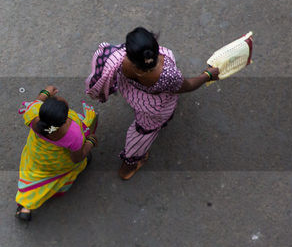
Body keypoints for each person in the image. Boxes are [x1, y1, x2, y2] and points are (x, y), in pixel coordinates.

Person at [85, 27, 219, 180]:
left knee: (142, 120)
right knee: (144, 133)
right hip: (154, 108)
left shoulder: (122, 60)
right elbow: (188, 86)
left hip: (135, 95)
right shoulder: (168, 75)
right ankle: (127, 167)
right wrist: (207, 75)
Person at [15, 85, 98, 221]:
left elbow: (36, 103)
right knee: (82, 161)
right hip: (57, 165)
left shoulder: (33, 114)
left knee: (33, 176)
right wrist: (90, 142)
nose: (59, 99)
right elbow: (76, 158)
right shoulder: (73, 134)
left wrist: (45, 93)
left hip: (36, 156)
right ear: (64, 119)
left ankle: (25, 206)